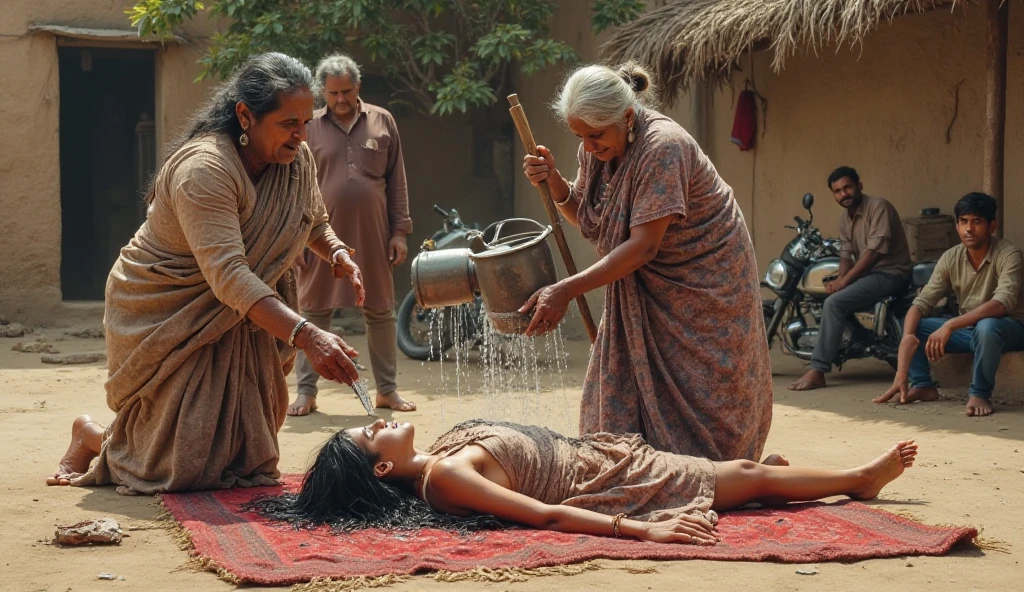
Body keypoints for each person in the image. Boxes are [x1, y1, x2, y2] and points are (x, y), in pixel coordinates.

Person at [46, 53, 366, 493]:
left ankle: (110, 442)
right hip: (169, 307)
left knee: (245, 461)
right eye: (288, 123)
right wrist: (309, 336)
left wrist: (335, 252)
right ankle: (91, 435)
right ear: (245, 116)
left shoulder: (296, 158)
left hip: (244, 312)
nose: (300, 134)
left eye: (305, 122)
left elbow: (311, 220)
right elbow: (230, 274)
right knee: (181, 464)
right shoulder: (205, 170)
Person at [520, 62, 771, 461]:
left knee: (702, 392)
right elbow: (584, 211)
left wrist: (565, 289)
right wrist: (551, 179)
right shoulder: (599, 147)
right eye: (579, 136)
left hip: (706, 281)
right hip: (647, 277)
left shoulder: (663, 147)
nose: (587, 146)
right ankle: (646, 469)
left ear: (628, 117)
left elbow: (643, 247)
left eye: (595, 135)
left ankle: (729, 471)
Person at [251, 418, 918, 544]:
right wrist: (644, 529)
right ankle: (858, 482)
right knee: (741, 474)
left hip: (603, 458)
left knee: (743, 475)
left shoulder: (438, 458)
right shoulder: (449, 478)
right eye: (373, 434)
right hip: (613, 488)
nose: (380, 419)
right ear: (384, 469)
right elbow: (540, 517)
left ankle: (776, 482)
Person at [288, 54, 415, 416]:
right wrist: (293, 239)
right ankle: (306, 392)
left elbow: (397, 182)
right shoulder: (306, 126)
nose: (340, 99)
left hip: (373, 233)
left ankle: (387, 391)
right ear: (322, 92)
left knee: (380, 312)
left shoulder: (382, 121)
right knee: (312, 313)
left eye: (346, 91)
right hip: (315, 234)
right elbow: (291, 185)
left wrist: (400, 232)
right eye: (332, 93)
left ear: (357, 87)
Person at [876, 192, 1024, 417]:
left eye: (976, 222)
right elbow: (922, 302)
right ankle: (922, 385)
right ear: (956, 225)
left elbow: (1001, 304)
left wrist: (950, 325)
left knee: (987, 326)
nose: (968, 229)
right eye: (963, 221)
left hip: (1009, 328)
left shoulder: (1009, 254)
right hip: (969, 332)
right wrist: (907, 340)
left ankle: (980, 393)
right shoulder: (951, 257)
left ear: (992, 225)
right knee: (912, 322)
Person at [790, 167, 912, 391]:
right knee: (835, 295)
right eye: (837, 191)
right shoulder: (844, 220)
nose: (843, 194)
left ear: (859, 186)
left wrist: (843, 282)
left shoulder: (878, 207)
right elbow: (846, 254)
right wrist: (841, 278)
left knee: (834, 303)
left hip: (891, 273)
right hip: (871, 274)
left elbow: (873, 253)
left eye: (847, 187)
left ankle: (818, 369)